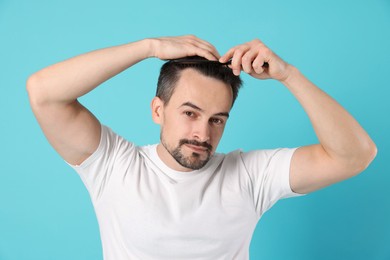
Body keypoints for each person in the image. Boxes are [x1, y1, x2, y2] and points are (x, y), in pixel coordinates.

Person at [27, 35, 377, 259]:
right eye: (190, 113)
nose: (202, 133)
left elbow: (356, 155)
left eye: (217, 119)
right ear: (158, 110)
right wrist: (148, 48)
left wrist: (289, 75)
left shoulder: (250, 176)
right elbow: (43, 92)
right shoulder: (114, 164)